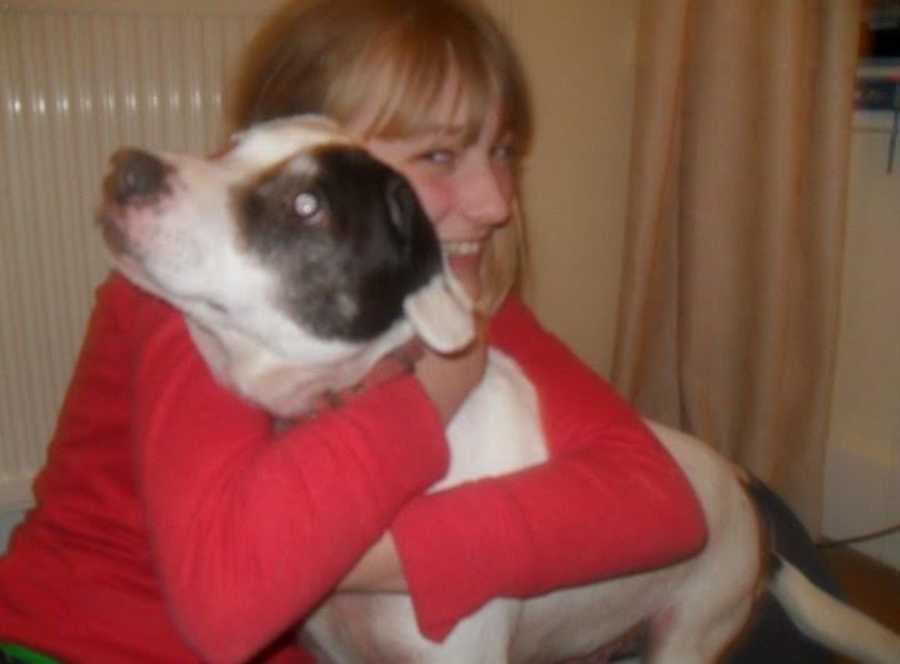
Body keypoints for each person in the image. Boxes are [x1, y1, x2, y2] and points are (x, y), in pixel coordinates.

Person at [0, 0, 707, 662]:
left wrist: (386, 558)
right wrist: (429, 397)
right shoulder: (190, 298)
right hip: (79, 641)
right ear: (310, 141)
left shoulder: (445, 294)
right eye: (438, 155)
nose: (495, 203)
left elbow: (665, 505)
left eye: (502, 152)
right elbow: (228, 600)